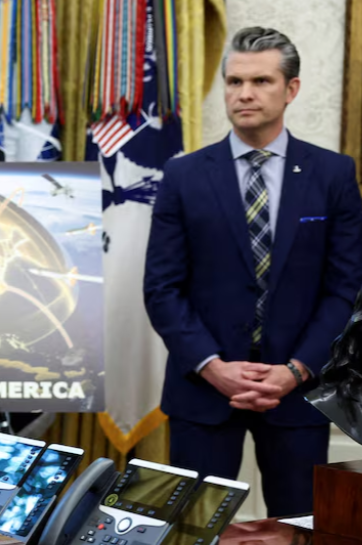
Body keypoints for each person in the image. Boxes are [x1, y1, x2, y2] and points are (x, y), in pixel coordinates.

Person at [144, 27, 362, 516]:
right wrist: (213, 366)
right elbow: (162, 288)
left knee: (302, 535)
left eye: (261, 81)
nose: (244, 93)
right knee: (193, 533)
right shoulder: (183, 175)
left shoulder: (333, 174)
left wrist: (296, 370)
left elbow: (345, 290)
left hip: (298, 393)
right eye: (234, 81)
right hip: (203, 392)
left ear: (291, 89)